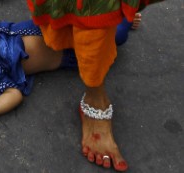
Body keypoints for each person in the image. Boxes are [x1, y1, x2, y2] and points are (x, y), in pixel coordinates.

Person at [0, 13, 140, 156]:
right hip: (69, 51)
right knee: (117, 35)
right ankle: (124, 18)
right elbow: (13, 94)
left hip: (56, 23)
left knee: (88, 14)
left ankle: (118, 14)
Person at [26, 0, 162, 172]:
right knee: (107, 26)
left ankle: (120, 16)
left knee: (100, 19)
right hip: (66, 53)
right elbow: (12, 94)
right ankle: (120, 16)